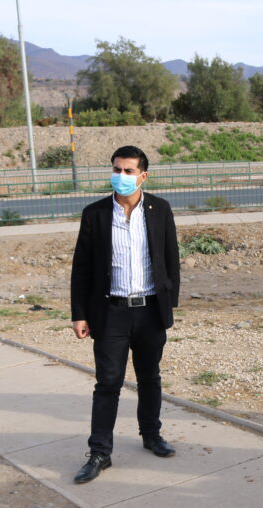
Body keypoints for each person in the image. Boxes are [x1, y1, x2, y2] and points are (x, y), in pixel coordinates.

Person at [71, 145, 180, 484]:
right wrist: (79, 314)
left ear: (143, 176)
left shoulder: (160, 209)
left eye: (129, 171)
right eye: (117, 169)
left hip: (149, 311)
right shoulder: (96, 214)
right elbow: (81, 269)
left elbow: (171, 259)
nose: (121, 176)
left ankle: (151, 435)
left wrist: (168, 303)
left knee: (150, 378)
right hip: (111, 313)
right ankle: (100, 452)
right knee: (108, 383)